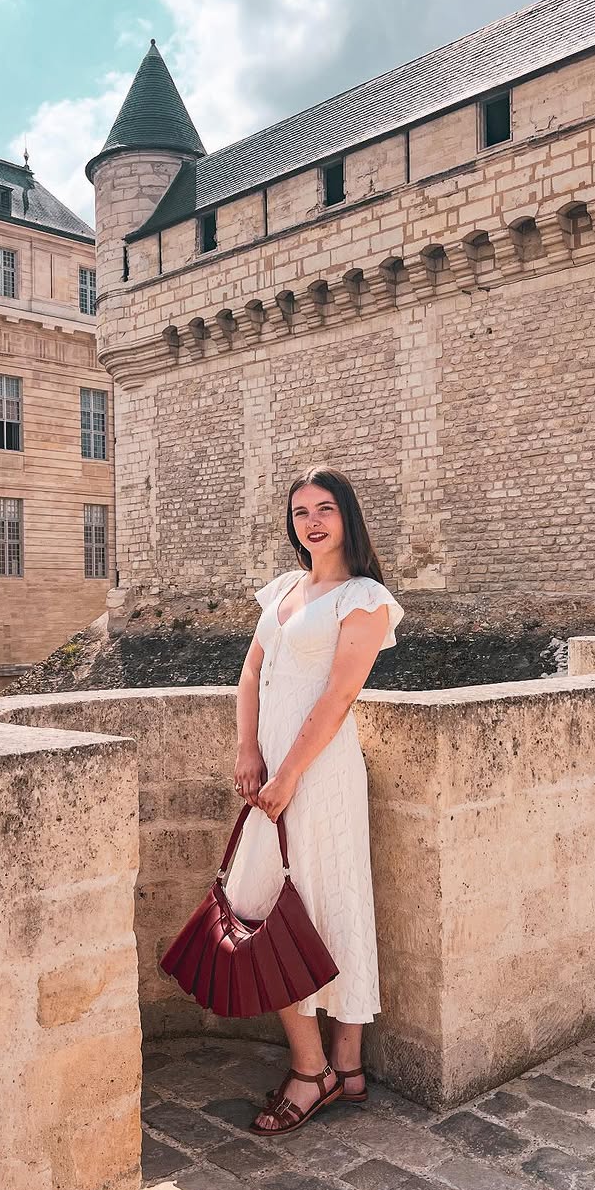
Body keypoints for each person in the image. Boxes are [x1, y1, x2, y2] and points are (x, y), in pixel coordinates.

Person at [225, 465, 404, 1135]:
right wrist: (249, 750)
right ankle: (336, 1068)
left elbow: (339, 694)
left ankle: (320, 1070)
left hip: (319, 773)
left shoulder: (364, 598)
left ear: (347, 517)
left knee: (329, 900)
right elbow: (251, 672)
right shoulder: (283, 590)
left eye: (324, 508)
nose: (312, 522)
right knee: (263, 905)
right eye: (300, 512)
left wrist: (290, 773)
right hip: (273, 766)